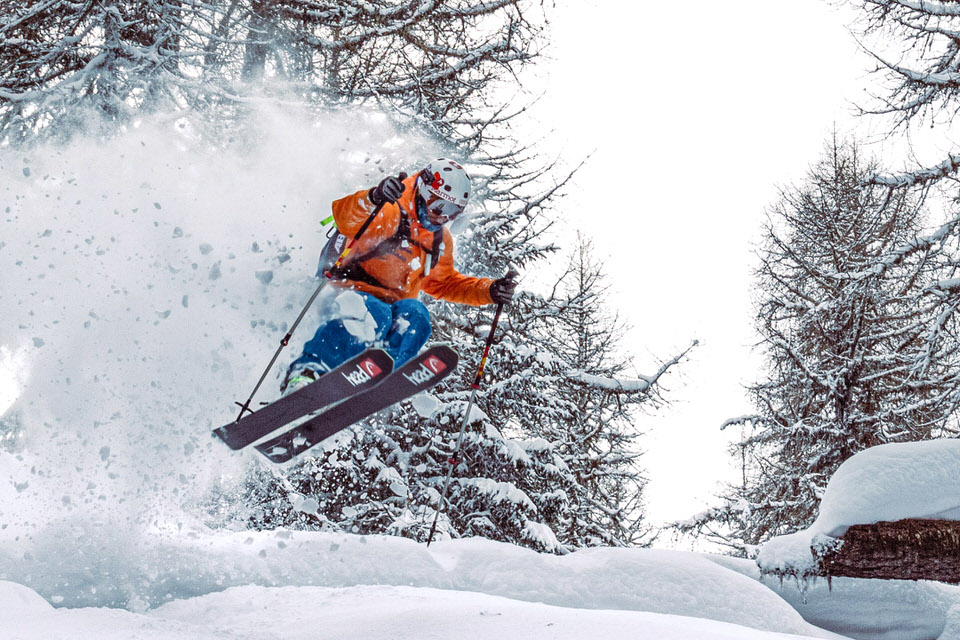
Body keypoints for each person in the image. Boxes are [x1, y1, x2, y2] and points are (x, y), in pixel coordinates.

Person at [283, 158, 517, 392]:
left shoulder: (438, 240)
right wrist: (373, 198)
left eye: (452, 212)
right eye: (439, 206)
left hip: (391, 308)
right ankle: (308, 370)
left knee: (417, 317)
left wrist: (488, 290)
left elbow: (444, 283)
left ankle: (373, 380)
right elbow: (346, 219)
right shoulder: (391, 208)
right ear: (425, 191)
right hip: (348, 291)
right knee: (376, 313)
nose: (442, 217)